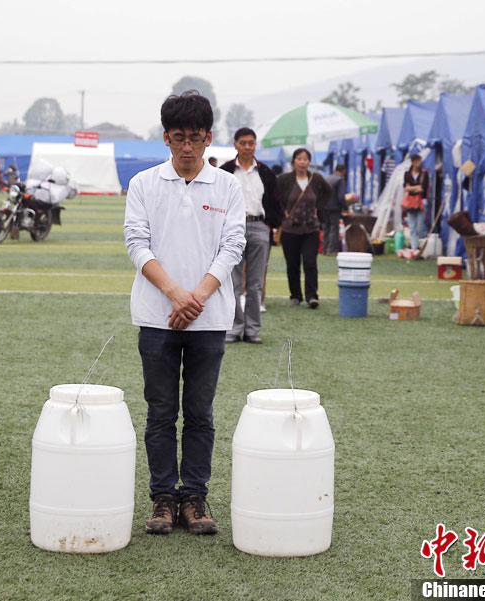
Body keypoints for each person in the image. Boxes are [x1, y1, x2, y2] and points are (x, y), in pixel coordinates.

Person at [124, 91, 245, 535]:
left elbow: (233, 245)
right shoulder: (144, 184)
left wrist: (198, 295)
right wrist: (176, 294)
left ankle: (194, 496)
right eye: (179, 138)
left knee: (199, 412)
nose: (188, 147)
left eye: (196, 138)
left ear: (209, 138)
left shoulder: (228, 186)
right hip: (157, 315)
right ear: (166, 139)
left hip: (209, 319)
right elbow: (137, 244)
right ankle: (162, 498)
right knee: (160, 412)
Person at [219, 127, 281, 344]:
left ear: (255, 145)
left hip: (259, 227)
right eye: (243, 143)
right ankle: (234, 328)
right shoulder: (225, 171)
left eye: (251, 143)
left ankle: (252, 330)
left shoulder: (266, 173)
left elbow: (275, 202)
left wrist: (273, 226)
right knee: (232, 282)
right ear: (235, 145)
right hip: (232, 229)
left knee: (255, 283)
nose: (247, 147)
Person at [276, 148, 332, 309]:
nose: (302, 162)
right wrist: (282, 213)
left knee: (310, 263)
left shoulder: (316, 178)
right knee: (292, 264)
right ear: (293, 161)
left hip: (311, 229)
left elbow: (328, 193)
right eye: (299, 158)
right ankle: (295, 295)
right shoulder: (284, 179)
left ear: (309, 162)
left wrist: (319, 209)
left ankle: (312, 296)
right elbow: (274, 198)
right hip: (289, 229)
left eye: (306, 159)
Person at [403, 153, 429, 251]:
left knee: (420, 226)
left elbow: (423, 189)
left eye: (420, 162)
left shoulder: (424, 174)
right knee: (412, 226)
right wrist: (416, 187)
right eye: (417, 161)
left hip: (421, 202)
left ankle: (423, 244)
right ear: (413, 162)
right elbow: (406, 187)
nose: (419, 164)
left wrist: (411, 188)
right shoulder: (407, 174)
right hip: (410, 203)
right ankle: (415, 248)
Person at [323, 164, 348, 255]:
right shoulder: (340, 180)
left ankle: (325, 249)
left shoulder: (327, 178)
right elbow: (341, 197)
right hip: (334, 208)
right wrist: (346, 208)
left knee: (326, 228)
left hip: (324, 207)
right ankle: (332, 250)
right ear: (343, 171)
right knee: (334, 229)